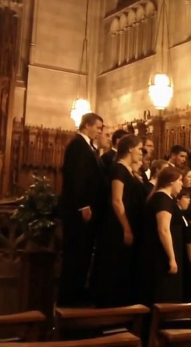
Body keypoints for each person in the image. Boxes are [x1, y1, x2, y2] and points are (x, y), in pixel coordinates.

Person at [58, 113, 108, 307]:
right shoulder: (78, 145)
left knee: (82, 255)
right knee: (75, 255)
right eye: (98, 127)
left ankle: (76, 292)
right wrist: (84, 205)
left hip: (86, 211)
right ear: (87, 125)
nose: (100, 131)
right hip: (79, 212)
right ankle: (69, 298)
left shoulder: (87, 146)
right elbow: (77, 177)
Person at [92, 134, 144, 307]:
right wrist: (126, 227)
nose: (141, 152)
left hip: (129, 223)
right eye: (139, 148)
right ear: (130, 149)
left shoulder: (130, 171)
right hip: (117, 226)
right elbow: (116, 200)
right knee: (114, 268)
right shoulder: (119, 169)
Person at [139, 167, 185, 304]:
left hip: (162, 254)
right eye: (180, 180)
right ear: (171, 181)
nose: (182, 184)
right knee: (163, 295)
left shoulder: (163, 198)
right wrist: (171, 258)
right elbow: (163, 229)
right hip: (161, 256)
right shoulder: (162, 199)